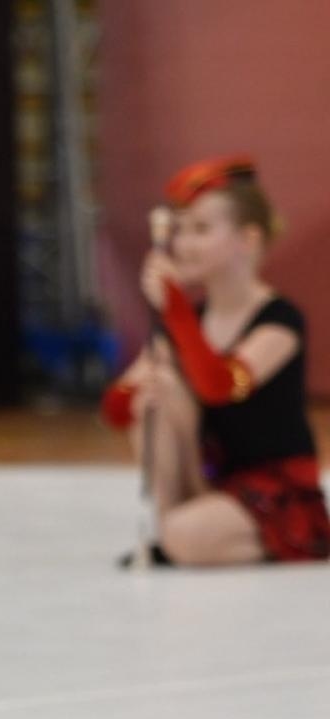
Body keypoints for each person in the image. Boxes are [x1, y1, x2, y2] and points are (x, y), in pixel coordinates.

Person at [101, 154, 329, 565]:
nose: (183, 243)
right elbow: (116, 411)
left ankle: (266, 537)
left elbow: (223, 386)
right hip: (211, 481)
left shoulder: (279, 321)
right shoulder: (189, 324)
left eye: (201, 229)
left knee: (189, 533)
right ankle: (176, 531)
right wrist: (137, 389)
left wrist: (174, 308)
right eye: (180, 229)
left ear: (248, 238)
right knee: (161, 391)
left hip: (272, 486)